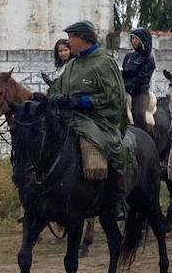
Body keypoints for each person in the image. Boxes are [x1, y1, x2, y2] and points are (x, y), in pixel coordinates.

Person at [48, 21, 134, 220]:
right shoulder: (73, 65)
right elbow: (56, 89)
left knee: (100, 143)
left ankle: (116, 197)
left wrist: (79, 101)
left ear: (83, 38)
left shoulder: (104, 62)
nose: (68, 43)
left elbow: (114, 98)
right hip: (69, 116)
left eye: (71, 38)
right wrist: (54, 97)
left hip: (98, 119)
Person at [121, 28, 156, 136]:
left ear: (143, 40)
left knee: (140, 115)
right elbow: (123, 73)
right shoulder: (128, 57)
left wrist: (127, 85)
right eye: (132, 38)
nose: (133, 41)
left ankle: (146, 138)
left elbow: (142, 78)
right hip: (124, 90)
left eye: (136, 39)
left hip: (139, 92)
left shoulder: (149, 59)